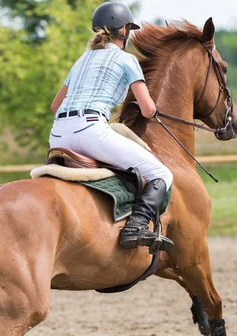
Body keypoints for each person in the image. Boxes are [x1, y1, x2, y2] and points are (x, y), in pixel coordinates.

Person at [48, 2, 174, 252]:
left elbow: (55, 105)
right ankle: (136, 226)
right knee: (162, 174)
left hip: (58, 134)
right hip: (91, 131)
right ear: (124, 30)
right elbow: (148, 109)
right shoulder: (126, 59)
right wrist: (154, 111)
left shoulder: (81, 60)